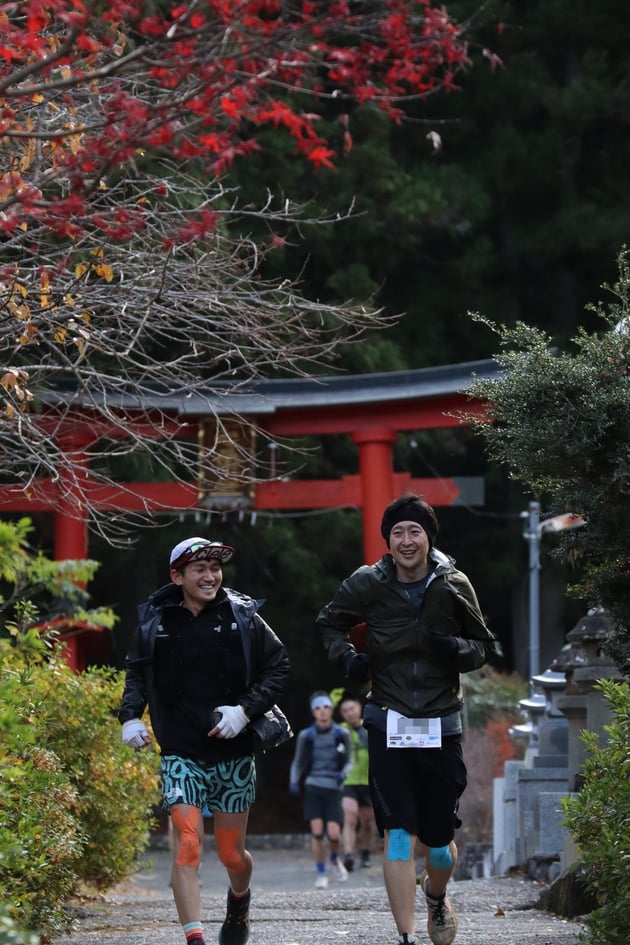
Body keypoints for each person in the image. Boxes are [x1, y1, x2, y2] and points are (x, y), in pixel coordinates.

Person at [316, 494, 501, 945]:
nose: (405, 540)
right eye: (397, 532)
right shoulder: (367, 583)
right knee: (398, 835)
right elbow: (329, 623)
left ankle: (435, 896)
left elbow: (483, 645)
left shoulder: (454, 583)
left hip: (441, 722)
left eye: (414, 531)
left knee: (438, 845)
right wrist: (349, 661)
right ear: (388, 541)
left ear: (428, 537)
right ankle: (405, 936)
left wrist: (454, 650)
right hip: (388, 718)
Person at [119, 537, 290, 945]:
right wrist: (129, 717)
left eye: (215, 568)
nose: (210, 576)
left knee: (232, 855)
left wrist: (244, 710)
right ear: (177, 576)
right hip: (180, 752)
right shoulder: (154, 620)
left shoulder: (243, 615)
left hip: (232, 751)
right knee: (187, 847)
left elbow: (279, 667)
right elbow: (136, 673)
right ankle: (193, 938)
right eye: (200, 569)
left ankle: (239, 899)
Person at [289, 691, 353, 888]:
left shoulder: (342, 734)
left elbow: (349, 760)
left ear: (331, 710)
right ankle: (321, 873)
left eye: (325, 707)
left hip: (333, 787)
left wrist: (344, 773)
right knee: (317, 832)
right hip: (313, 785)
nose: (322, 711)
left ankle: (334, 858)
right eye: (318, 708)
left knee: (334, 834)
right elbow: (298, 762)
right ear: (313, 712)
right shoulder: (306, 736)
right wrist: (294, 780)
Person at [338, 692, 375, 871]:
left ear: (359, 708)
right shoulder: (339, 731)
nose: (349, 713)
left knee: (366, 822)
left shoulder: (369, 727)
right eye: (345, 711)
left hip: (369, 780)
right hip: (348, 781)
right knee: (350, 817)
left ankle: (366, 852)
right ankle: (348, 855)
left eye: (352, 709)